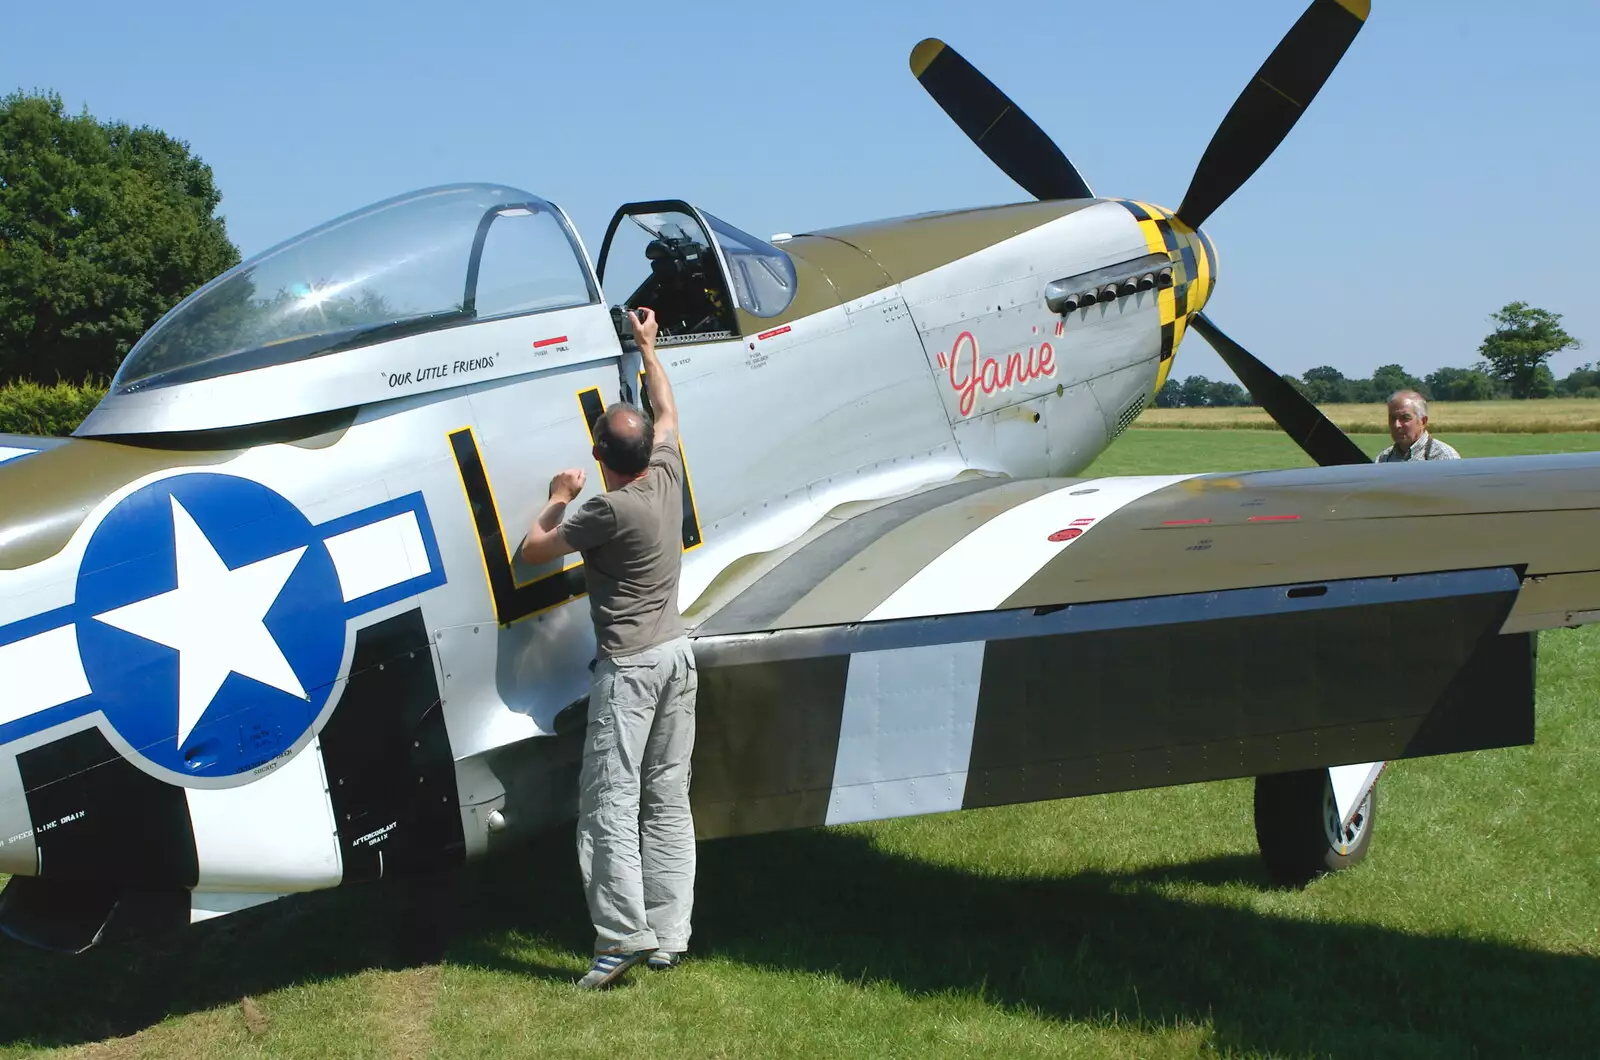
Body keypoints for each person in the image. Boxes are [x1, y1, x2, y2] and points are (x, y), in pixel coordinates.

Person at [518, 306, 698, 990]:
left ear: (600, 460)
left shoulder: (604, 510)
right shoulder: (667, 471)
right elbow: (666, 409)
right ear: (644, 447)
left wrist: (559, 497)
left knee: (609, 803)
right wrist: (649, 348)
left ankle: (621, 937)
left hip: (628, 672)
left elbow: (533, 552)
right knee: (668, 796)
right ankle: (670, 934)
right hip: (678, 656)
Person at [1376, 390, 1460, 462]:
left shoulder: (1443, 458)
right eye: (1393, 418)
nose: (1397, 425)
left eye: (1405, 418)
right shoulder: (1383, 459)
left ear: (1423, 422)